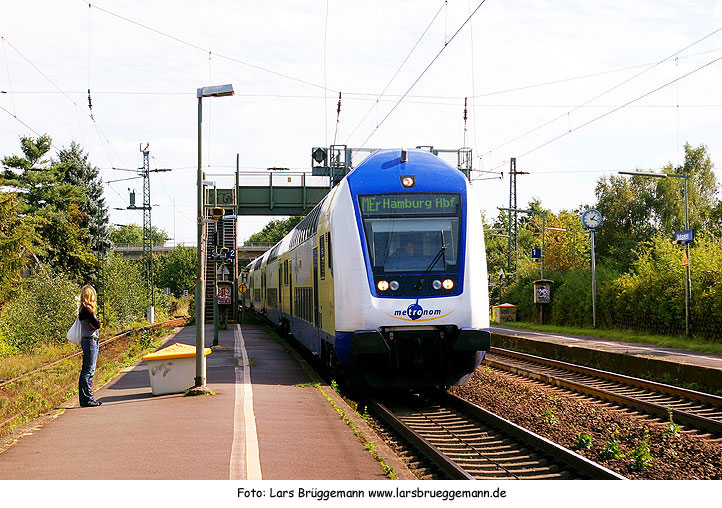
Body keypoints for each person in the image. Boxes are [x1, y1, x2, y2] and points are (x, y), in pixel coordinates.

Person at [78, 284, 102, 407]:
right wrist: (97, 323)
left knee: (88, 370)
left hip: (89, 340)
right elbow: (96, 324)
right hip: (90, 341)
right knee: (88, 370)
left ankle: (86, 398)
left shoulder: (83, 310)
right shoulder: (87, 310)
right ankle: (87, 398)